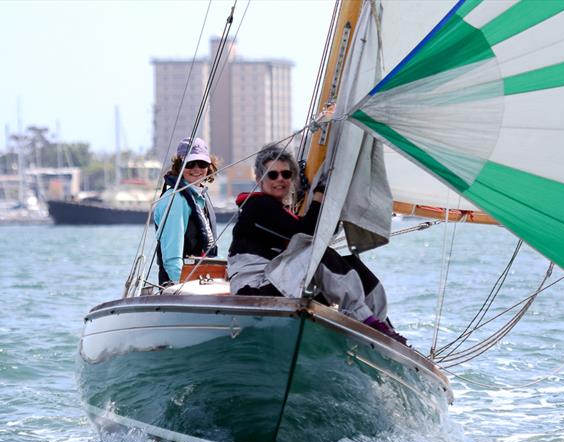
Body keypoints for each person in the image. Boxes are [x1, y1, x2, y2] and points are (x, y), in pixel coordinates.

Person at [227, 144, 406, 344]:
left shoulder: (279, 211)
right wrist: (319, 196)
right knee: (319, 254)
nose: (280, 180)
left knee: (353, 265)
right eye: (272, 175)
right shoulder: (257, 206)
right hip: (254, 291)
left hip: (275, 282)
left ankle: (382, 325)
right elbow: (307, 233)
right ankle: (366, 319)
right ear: (260, 178)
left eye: (286, 174)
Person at [154, 137, 218, 286]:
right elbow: (172, 258)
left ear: (209, 166)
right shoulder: (176, 200)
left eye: (202, 164)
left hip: (200, 282)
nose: (196, 169)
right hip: (178, 286)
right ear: (179, 166)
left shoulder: (199, 196)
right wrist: (184, 289)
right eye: (190, 164)